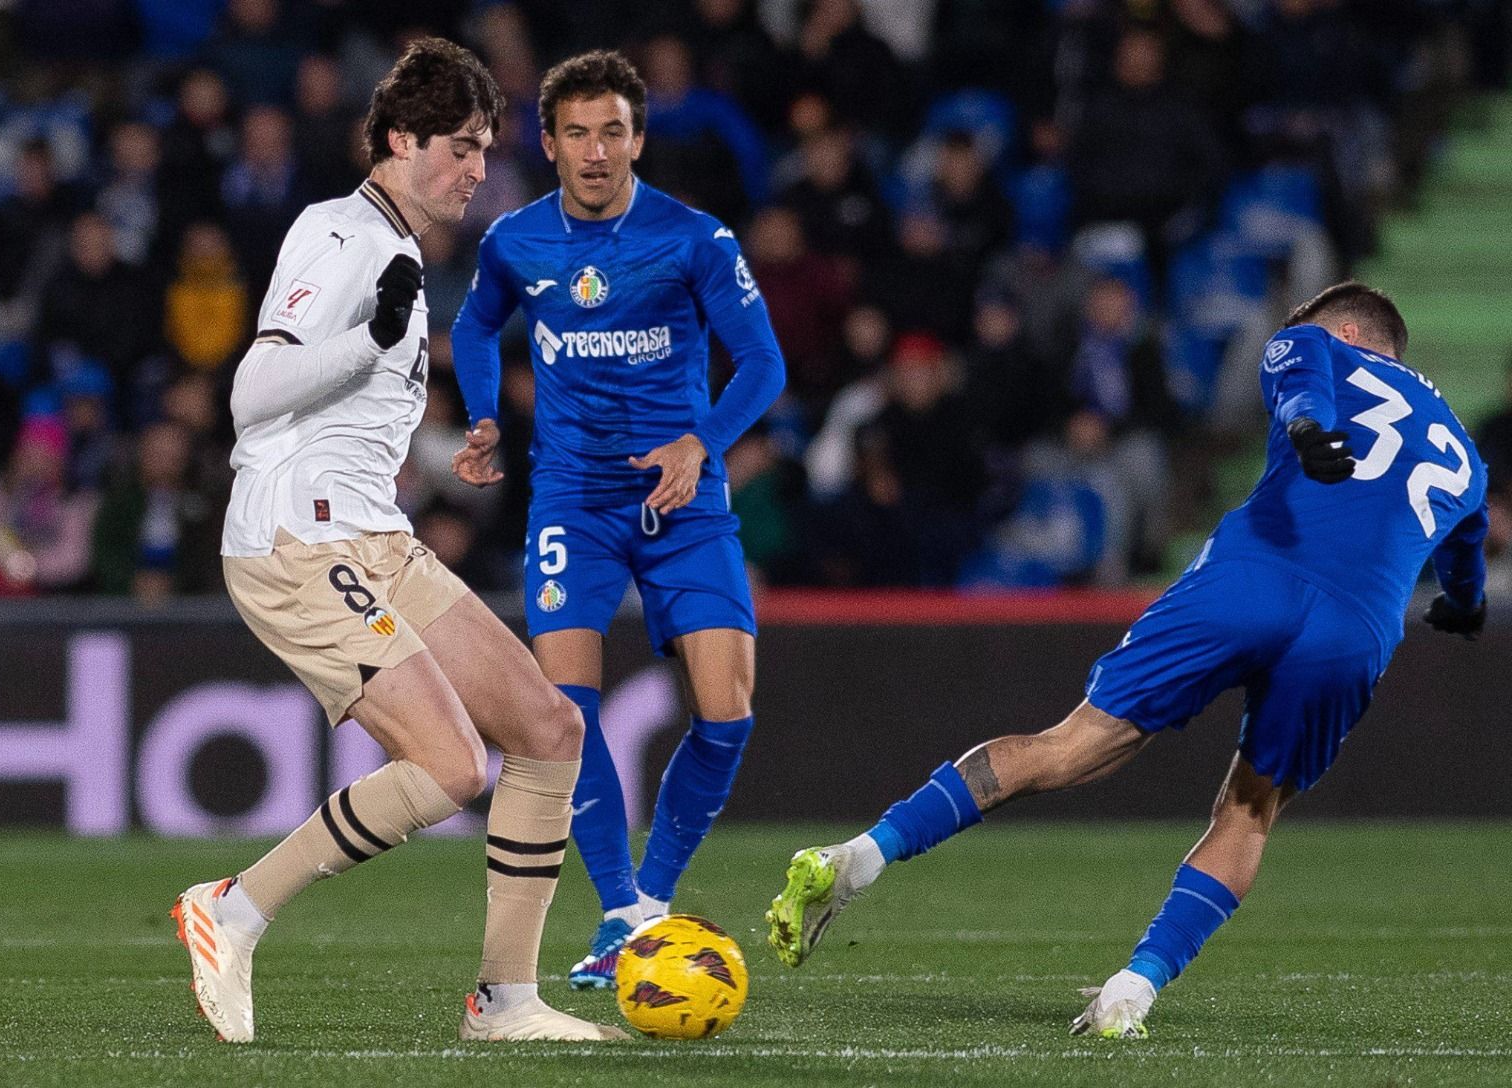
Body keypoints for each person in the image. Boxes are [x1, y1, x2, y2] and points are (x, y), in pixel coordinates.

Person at [766, 283, 1488, 1038]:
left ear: (1348, 330)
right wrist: (1461, 607)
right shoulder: (1464, 456)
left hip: (1250, 579)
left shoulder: (1319, 343)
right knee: (1250, 810)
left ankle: (861, 856)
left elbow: (1299, 373)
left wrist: (1307, 426)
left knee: (1070, 744)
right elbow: (1465, 562)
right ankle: (1132, 991)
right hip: (1354, 628)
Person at [170, 37, 626, 1046]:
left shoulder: (400, 254)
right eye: (460, 147)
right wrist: (367, 342)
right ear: (400, 140)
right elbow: (252, 392)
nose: (476, 170)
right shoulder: (341, 233)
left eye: (484, 150)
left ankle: (505, 1000)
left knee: (548, 729)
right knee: (453, 765)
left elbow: (349, 415)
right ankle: (233, 907)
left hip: (373, 534)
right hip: (294, 537)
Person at [451, 50, 786, 990]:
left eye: (613, 132)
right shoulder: (515, 241)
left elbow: (762, 363)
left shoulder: (694, 239)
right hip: (574, 501)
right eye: (578, 133)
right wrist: (484, 415)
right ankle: (621, 910)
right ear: (548, 143)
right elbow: (474, 327)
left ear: (638, 140)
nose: (596, 151)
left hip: (683, 500)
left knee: (727, 712)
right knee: (564, 712)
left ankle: (652, 895)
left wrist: (700, 444)